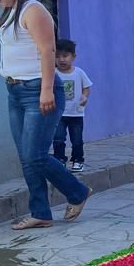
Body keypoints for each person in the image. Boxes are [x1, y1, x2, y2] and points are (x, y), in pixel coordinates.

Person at [0, 0, 91, 230]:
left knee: (35, 156)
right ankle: (40, 213)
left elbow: (47, 51)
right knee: (27, 158)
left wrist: (46, 90)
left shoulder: (33, 10)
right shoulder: (11, 10)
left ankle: (77, 192)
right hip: (15, 91)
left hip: (38, 90)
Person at [52, 39, 92, 172]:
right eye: (57, 56)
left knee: (77, 139)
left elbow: (87, 87)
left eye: (65, 56)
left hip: (76, 113)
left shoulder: (79, 73)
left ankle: (78, 160)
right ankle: (59, 159)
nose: (61, 60)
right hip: (58, 114)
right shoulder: (53, 74)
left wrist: (84, 97)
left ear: (73, 56)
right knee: (58, 138)